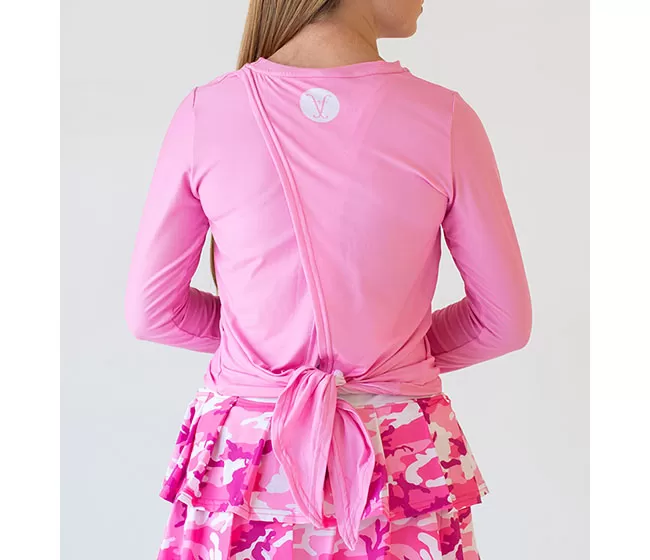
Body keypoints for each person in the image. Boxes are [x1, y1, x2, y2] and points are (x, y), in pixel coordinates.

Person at [125, 0, 532, 558]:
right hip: (400, 452)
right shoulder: (445, 118)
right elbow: (502, 322)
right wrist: (391, 355)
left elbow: (153, 313)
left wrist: (264, 350)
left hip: (245, 461)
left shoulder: (206, 113)